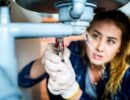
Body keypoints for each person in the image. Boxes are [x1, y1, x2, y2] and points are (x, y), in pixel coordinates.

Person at [18, 10, 130, 100]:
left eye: (111, 41)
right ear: (87, 34)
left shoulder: (126, 74)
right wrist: (45, 61)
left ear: (120, 47)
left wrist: (72, 92)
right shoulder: (73, 51)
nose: (99, 48)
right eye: (95, 36)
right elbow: (22, 81)